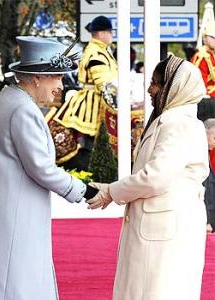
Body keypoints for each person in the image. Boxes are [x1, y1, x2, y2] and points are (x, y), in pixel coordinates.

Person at [0, 36, 98, 300]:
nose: (60, 86)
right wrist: (84, 191)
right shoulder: (23, 109)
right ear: (37, 77)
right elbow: (42, 169)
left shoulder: (4, 101)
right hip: (13, 215)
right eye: (57, 78)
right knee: (15, 283)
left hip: (0, 210)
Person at [87, 56, 209, 299]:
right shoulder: (170, 119)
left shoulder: (178, 123)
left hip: (166, 233)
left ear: (173, 88)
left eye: (155, 83)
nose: (150, 89)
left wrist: (112, 191)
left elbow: (155, 178)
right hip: (161, 229)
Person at [53, 15, 118, 170]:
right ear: (101, 34)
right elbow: (103, 83)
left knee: (93, 141)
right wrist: (115, 103)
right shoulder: (97, 53)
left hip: (91, 98)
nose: (112, 35)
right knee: (93, 141)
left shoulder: (97, 50)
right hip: (94, 101)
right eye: (110, 32)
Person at [203, 118, 215, 233]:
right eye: (214, 138)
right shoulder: (197, 156)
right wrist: (205, 220)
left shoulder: (206, 154)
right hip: (204, 217)